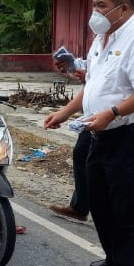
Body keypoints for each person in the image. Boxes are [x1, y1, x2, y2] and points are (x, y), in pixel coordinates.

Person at [44, 0, 134, 266]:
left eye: (101, 6)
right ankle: (112, 256)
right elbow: (92, 85)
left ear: (123, 9)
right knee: (99, 198)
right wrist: (64, 113)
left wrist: (111, 113)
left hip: (129, 134)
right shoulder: (102, 38)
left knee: (125, 204)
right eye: (94, 4)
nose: (94, 12)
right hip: (98, 132)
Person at [48, 51, 91, 223]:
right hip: (95, 116)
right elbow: (90, 86)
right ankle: (80, 207)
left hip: (114, 117)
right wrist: (63, 114)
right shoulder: (100, 43)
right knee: (82, 155)